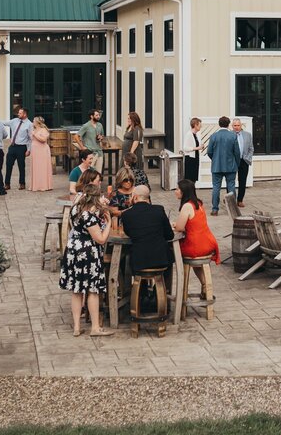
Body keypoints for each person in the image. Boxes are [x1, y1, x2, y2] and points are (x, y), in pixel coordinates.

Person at [58, 182, 114, 337]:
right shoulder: (89, 217)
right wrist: (108, 223)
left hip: (73, 251)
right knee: (92, 290)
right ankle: (95, 328)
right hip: (87, 253)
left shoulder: (76, 208)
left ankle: (76, 327)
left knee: (76, 290)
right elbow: (101, 239)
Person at [122, 184, 174, 274]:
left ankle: (141, 287)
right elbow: (170, 235)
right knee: (169, 255)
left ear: (135, 197)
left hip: (139, 261)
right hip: (161, 259)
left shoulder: (127, 214)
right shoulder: (159, 209)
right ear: (148, 198)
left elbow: (129, 233)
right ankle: (162, 288)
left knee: (124, 258)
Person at [174, 179, 220, 273]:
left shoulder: (187, 206)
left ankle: (175, 281)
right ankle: (205, 284)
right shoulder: (198, 203)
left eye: (177, 189)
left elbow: (179, 228)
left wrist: (175, 225)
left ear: (184, 192)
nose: (175, 191)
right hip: (208, 242)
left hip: (196, 246)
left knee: (172, 250)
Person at [206, 116, 240, 214]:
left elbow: (209, 152)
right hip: (230, 165)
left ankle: (215, 209)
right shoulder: (233, 136)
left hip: (217, 166)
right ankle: (233, 209)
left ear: (219, 124)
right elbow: (237, 152)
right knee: (231, 187)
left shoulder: (213, 136)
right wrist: (236, 163)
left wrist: (215, 159)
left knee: (216, 187)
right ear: (228, 124)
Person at [4, 107, 32, 191]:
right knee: (8, 165)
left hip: (22, 147)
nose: (18, 114)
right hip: (12, 146)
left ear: (25, 114)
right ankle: (7, 184)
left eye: (20, 113)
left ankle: (22, 183)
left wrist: (29, 149)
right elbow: (4, 123)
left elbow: (30, 138)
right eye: (18, 113)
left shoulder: (29, 124)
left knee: (21, 166)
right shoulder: (14, 121)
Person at [28, 116, 54, 192]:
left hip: (42, 150)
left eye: (33, 121)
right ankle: (36, 185)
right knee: (36, 167)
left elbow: (43, 139)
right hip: (35, 150)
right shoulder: (34, 129)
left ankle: (44, 185)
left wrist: (34, 134)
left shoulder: (43, 130)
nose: (32, 122)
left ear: (37, 122)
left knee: (43, 167)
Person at [233, 117, 254, 207]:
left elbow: (251, 148)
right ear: (232, 126)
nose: (236, 127)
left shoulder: (247, 135)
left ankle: (240, 200)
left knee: (242, 181)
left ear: (241, 125)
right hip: (233, 161)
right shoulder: (230, 135)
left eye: (238, 125)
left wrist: (248, 158)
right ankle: (231, 199)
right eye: (235, 125)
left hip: (244, 160)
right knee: (231, 181)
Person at [123, 111, 147, 186]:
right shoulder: (129, 127)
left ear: (134, 119)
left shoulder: (137, 128)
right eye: (128, 119)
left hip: (133, 152)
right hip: (126, 151)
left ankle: (134, 185)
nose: (128, 120)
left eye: (130, 119)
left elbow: (136, 141)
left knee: (133, 169)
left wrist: (131, 153)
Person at [182, 117, 203, 183]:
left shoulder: (196, 134)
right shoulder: (189, 134)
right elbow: (185, 148)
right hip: (190, 159)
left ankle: (192, 191)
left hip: (195, 157)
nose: (201, 126)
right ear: (195, 125)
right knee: (190, 177)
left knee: (194, 177)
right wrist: (197, 148)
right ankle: (189, 192)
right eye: (199, 125)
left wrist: (201, 146)